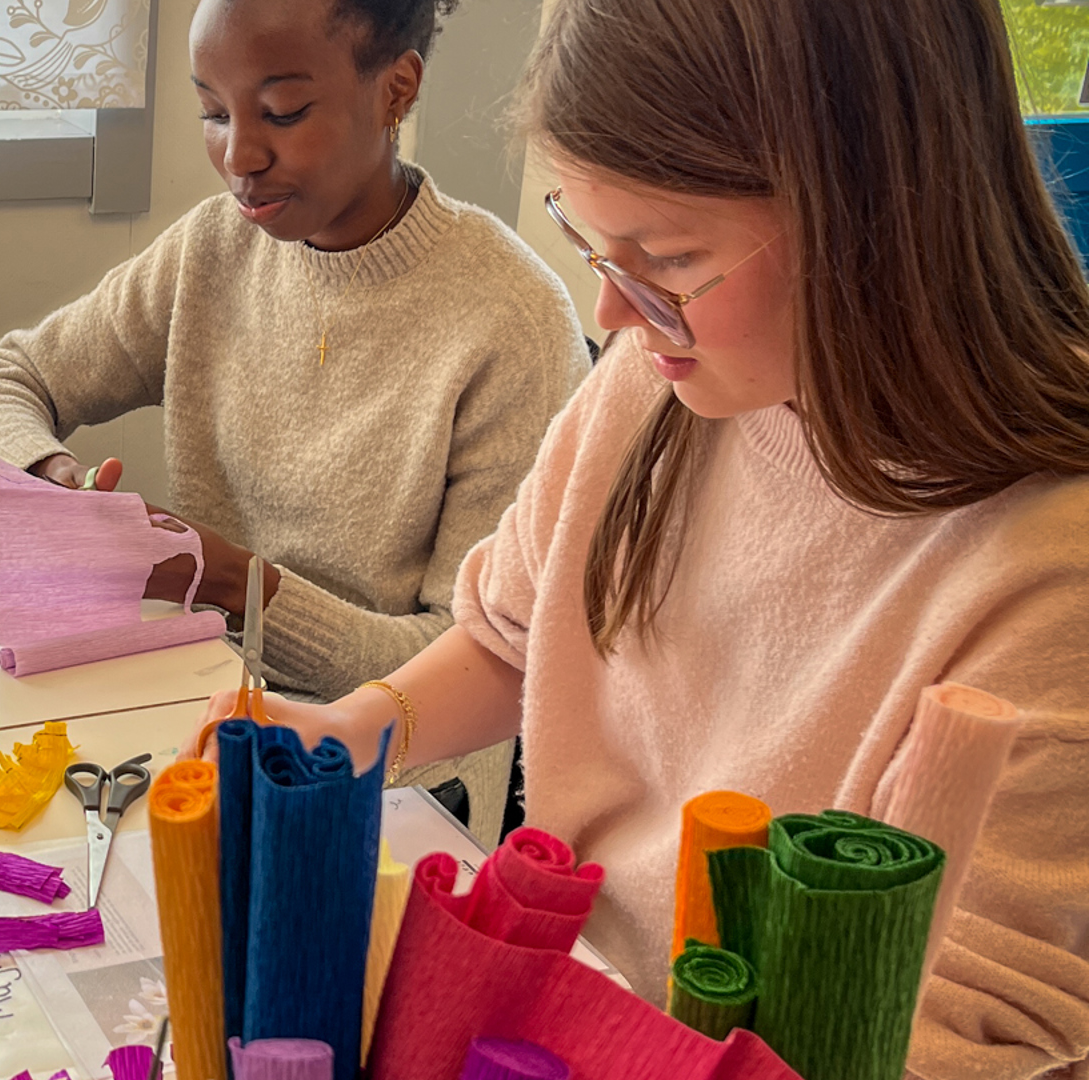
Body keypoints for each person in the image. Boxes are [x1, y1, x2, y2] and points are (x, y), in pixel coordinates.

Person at [188, 0, 1089, 1073]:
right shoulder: (659, 385)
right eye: (588, 240)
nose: (613, 314)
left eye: (663, 256)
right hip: (573, 1005)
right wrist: (352, 731)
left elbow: (987, 1015)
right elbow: (514, 639)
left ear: (877, 218)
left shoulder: (1051, 558)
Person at [0, 0, 588, 701]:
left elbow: (474, 667)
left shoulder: (513, 320)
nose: (239, 158)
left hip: (386, 751)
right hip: (199, 690)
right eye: (214, 113)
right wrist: (52, 478)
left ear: (396, 90)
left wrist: (234, 584)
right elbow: (5, 379)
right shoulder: (212, 249)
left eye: (283, 113)